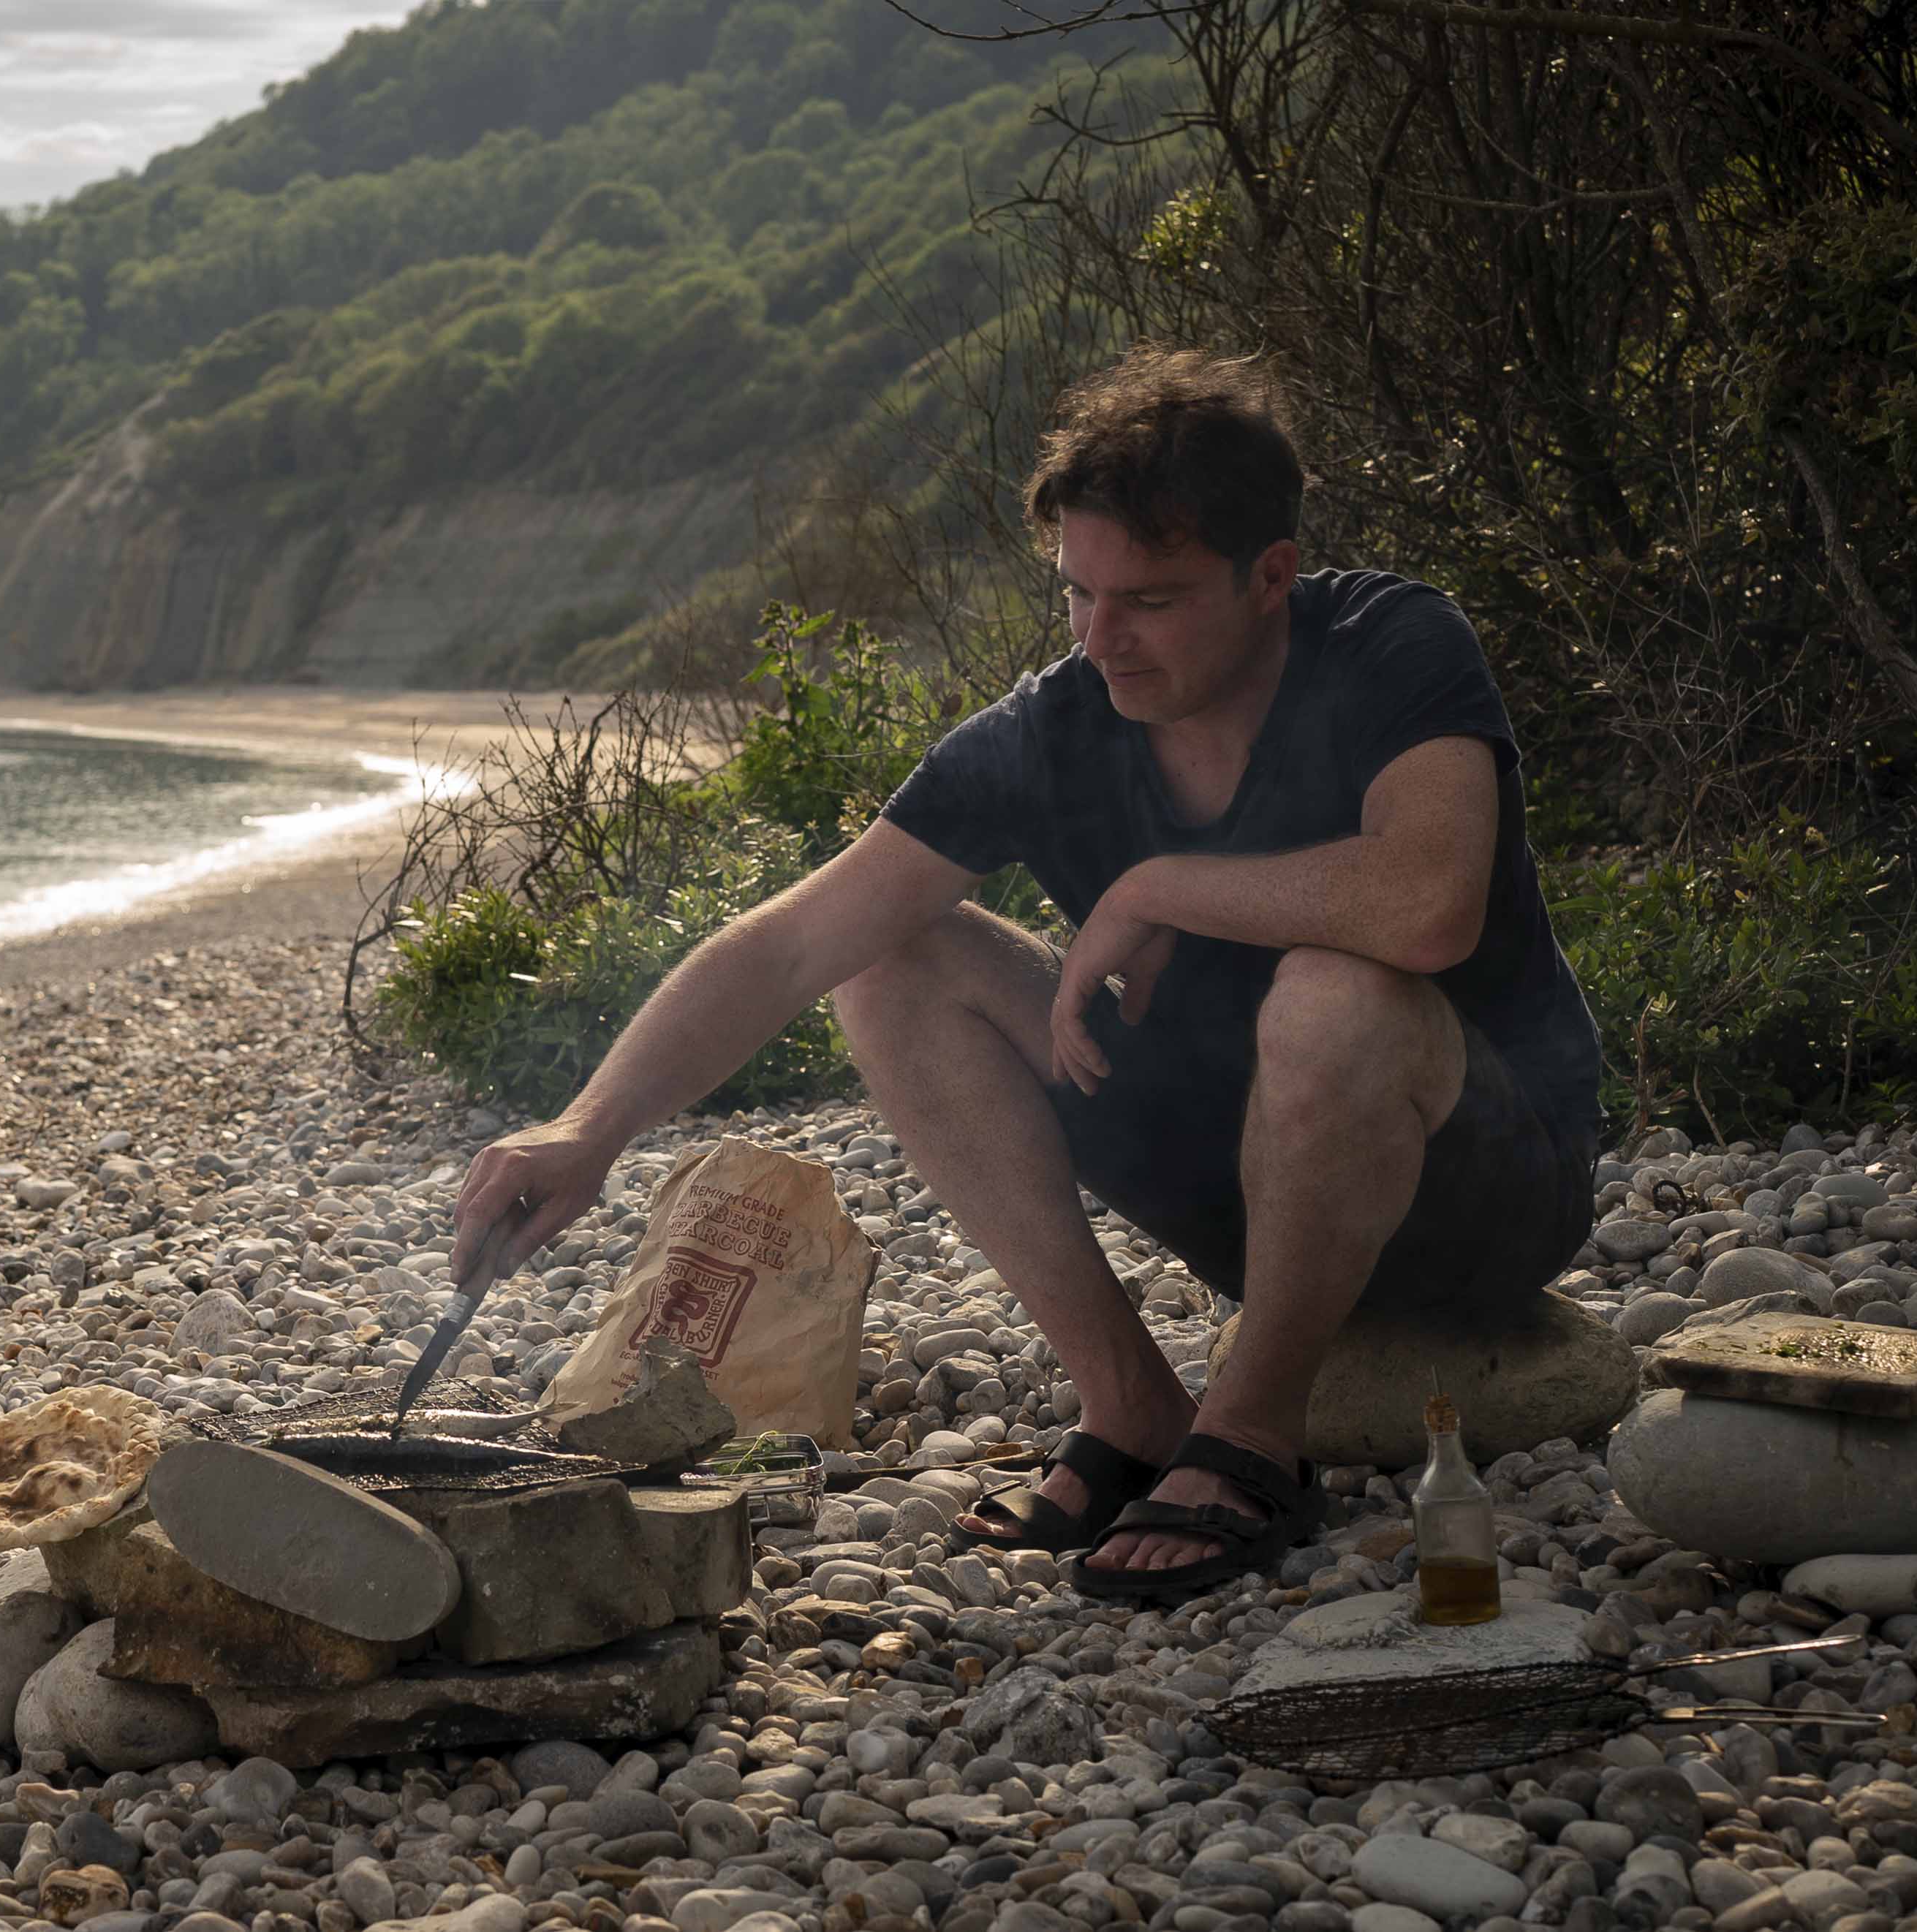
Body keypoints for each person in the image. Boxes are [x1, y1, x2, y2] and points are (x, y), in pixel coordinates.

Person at [446, 346, 1603, 1602]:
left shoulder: (1390, 643)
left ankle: (1256, 1433)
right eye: (1077, 595)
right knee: (893, 958)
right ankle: (1136, 1407)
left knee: (1337, 988)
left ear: (1270, 577)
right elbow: (792, 938)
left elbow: (1429, 906)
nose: (1103, 640)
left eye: (1150, 601)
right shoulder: (1053, 728)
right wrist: (587, 1130)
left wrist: (1153, 889)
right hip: (1250, 1197)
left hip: (1476, 1181)